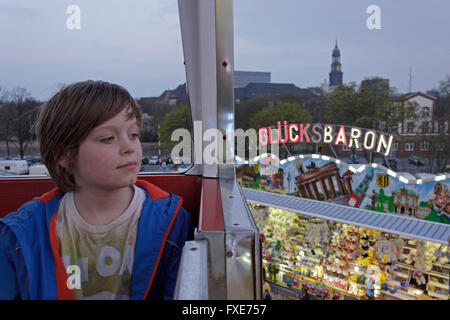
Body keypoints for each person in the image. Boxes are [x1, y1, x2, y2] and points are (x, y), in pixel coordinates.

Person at [0, 80, 191, 300]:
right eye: (108, 138)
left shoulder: (172, 222)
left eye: (134, 135)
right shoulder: (21, 236)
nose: (129, 147)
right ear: (63, 155)